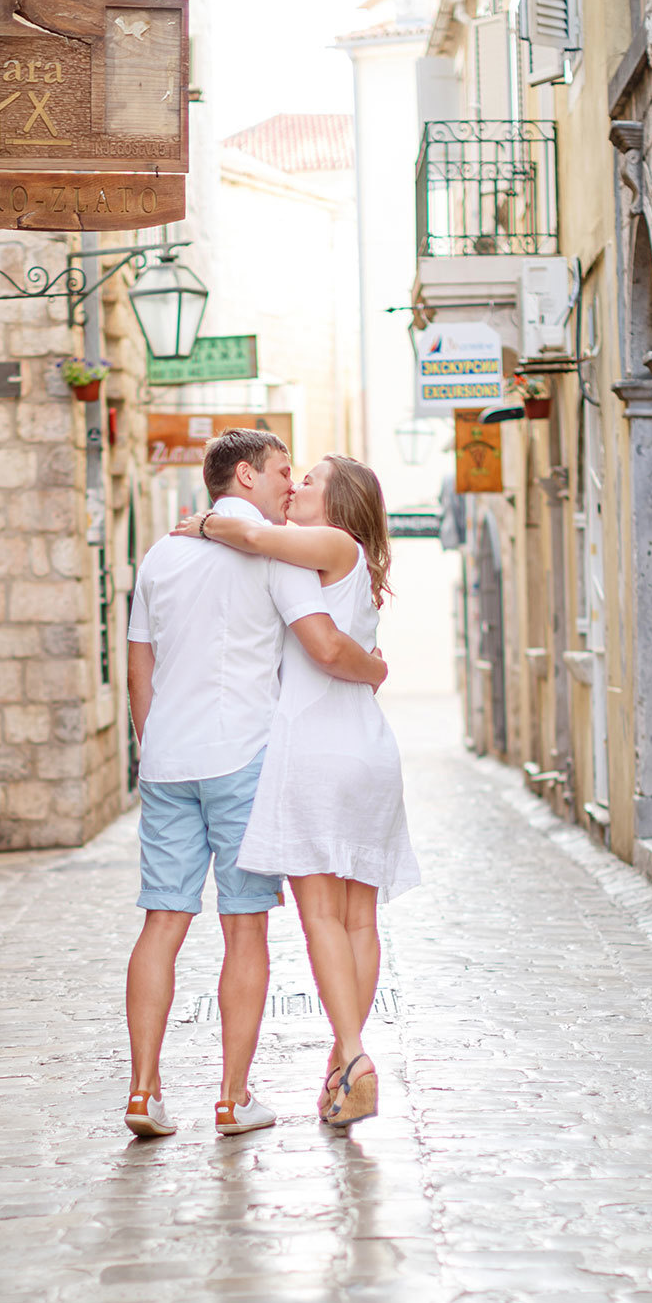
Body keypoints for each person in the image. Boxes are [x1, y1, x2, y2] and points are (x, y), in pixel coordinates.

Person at [123, 430, 388, 1139]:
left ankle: (144, 1092)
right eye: (278, 472)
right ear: (244, 475)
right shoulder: (274, 554)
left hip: (168, 760)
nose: (287, 484)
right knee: (246, 932)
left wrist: (154, 751)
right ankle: (233, 1098)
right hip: (243, 758)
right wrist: (376, 666)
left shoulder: (161, 554)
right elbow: (324, 646)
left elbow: (138, 664)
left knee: (162, 921)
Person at [172, 455, 419, 1128]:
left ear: (339, 501)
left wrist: (208, 523)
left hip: (315, 748)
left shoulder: (329, 546)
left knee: (321, 919)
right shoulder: (350, 560)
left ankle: (353, 1054)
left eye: (307, 480)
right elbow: (352, 655)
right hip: (365, 747)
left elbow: (325, 647)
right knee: (360, 919)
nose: (295, 487)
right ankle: (344, 1067)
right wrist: (379, 669)